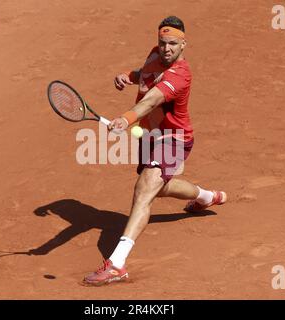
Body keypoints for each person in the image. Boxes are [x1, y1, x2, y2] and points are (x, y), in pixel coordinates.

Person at [83, 16, 227, 286]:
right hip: (150, 136)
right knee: (159, 188)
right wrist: (128, 76)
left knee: (144, 187)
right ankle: (206, 197)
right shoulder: (154, 54)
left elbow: (151, 100)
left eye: (173, 44)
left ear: (184, 44)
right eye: (162, 43)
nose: (167, 49)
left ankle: (116, 264)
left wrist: (126, 118)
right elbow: (145, 73)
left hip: (173, 139)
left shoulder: (180, 75)